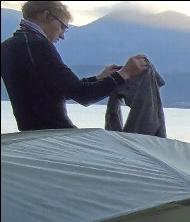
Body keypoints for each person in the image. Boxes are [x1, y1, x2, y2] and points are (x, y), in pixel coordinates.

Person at [1, 1, 150, 131]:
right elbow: (83, 95)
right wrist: (125, 73)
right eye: (62, 27)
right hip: (54, 136)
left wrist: (98, 78)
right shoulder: (38, 45)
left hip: (32, 135)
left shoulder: (8, 46)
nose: (62, 35)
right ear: (46, 16)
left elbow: (53, 93)